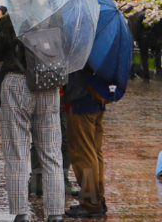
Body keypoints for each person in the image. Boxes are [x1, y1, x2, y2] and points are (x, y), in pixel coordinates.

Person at [0, 13, 65, 222]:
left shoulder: (12, 18)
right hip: (48, 81)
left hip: (17, 82)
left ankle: (21, 213)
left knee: (16, 152)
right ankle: (55, 213)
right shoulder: (54, 18)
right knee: (51, 152)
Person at [63, 69, 106, 219]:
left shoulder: (82, 46)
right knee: (94, 150)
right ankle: (97, 197)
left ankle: (90, 202)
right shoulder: (101, 45)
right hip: (97, 94)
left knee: (84, 153)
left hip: (81, 96)